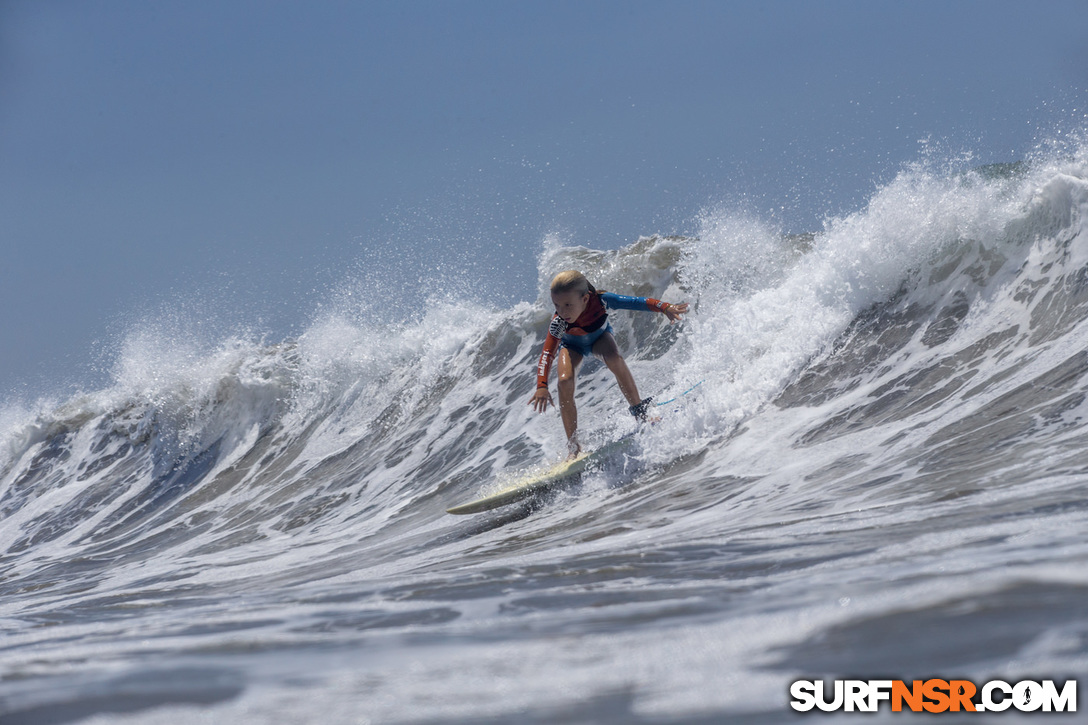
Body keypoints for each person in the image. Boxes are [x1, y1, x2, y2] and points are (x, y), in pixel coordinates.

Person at [528, 270, 689, 458]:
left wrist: (664, 307)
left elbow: (637, 302)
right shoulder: (559, 323)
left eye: (567, 305)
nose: (562, 312)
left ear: (585, 299)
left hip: (600, 339)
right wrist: (541, 385)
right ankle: (573, 447)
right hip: (572, 346)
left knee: (614, 358)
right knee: (564, 382)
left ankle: (640, 413)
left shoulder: (602, 300)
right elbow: (547, 353)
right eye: (557, 305)